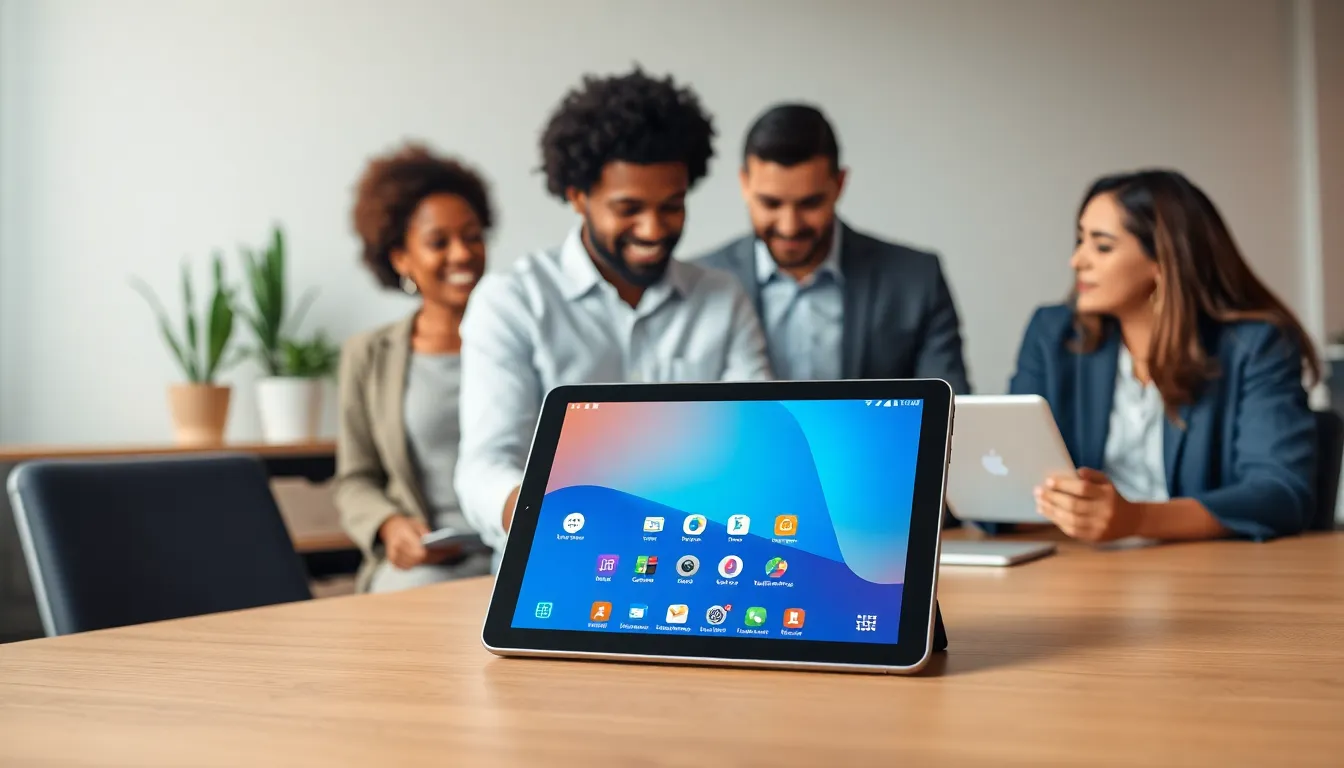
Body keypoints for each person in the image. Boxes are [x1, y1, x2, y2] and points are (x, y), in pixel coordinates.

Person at [453, 67, 771, 557]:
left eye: (672, 206)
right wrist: (545, 516)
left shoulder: (722, 299)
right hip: (557, 558)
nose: (653, 229)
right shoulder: (512, 302)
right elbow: (485, 465)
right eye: (628, 208)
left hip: (697, 560)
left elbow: (761, 440)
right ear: (578, 196)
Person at [1010, 169, 1319, 544]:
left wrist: (1135, 519)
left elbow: (1280, 492)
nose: (1077, 260)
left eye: (1101, 246)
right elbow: (1009, 478)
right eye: (1080, 240)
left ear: (1161, 261)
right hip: (1082, 567)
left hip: (1209, 572)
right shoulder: (1053, 334)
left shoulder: (1256, 345)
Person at [696, 103, 971, 392]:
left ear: (839, 185)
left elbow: (952, 410)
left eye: (810, 203)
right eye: (771, 203)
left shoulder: (916, 280)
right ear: (744, 184)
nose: (789, 226)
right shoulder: (701, 282)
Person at [334, 142, 496, 593]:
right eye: (438, 242)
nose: (462, 254)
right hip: (429, 563)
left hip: (520, 552)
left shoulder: (522, 338)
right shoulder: (369, 355)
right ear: (401, 257)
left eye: (472, 235)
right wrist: (388, 526)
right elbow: (355, 478)